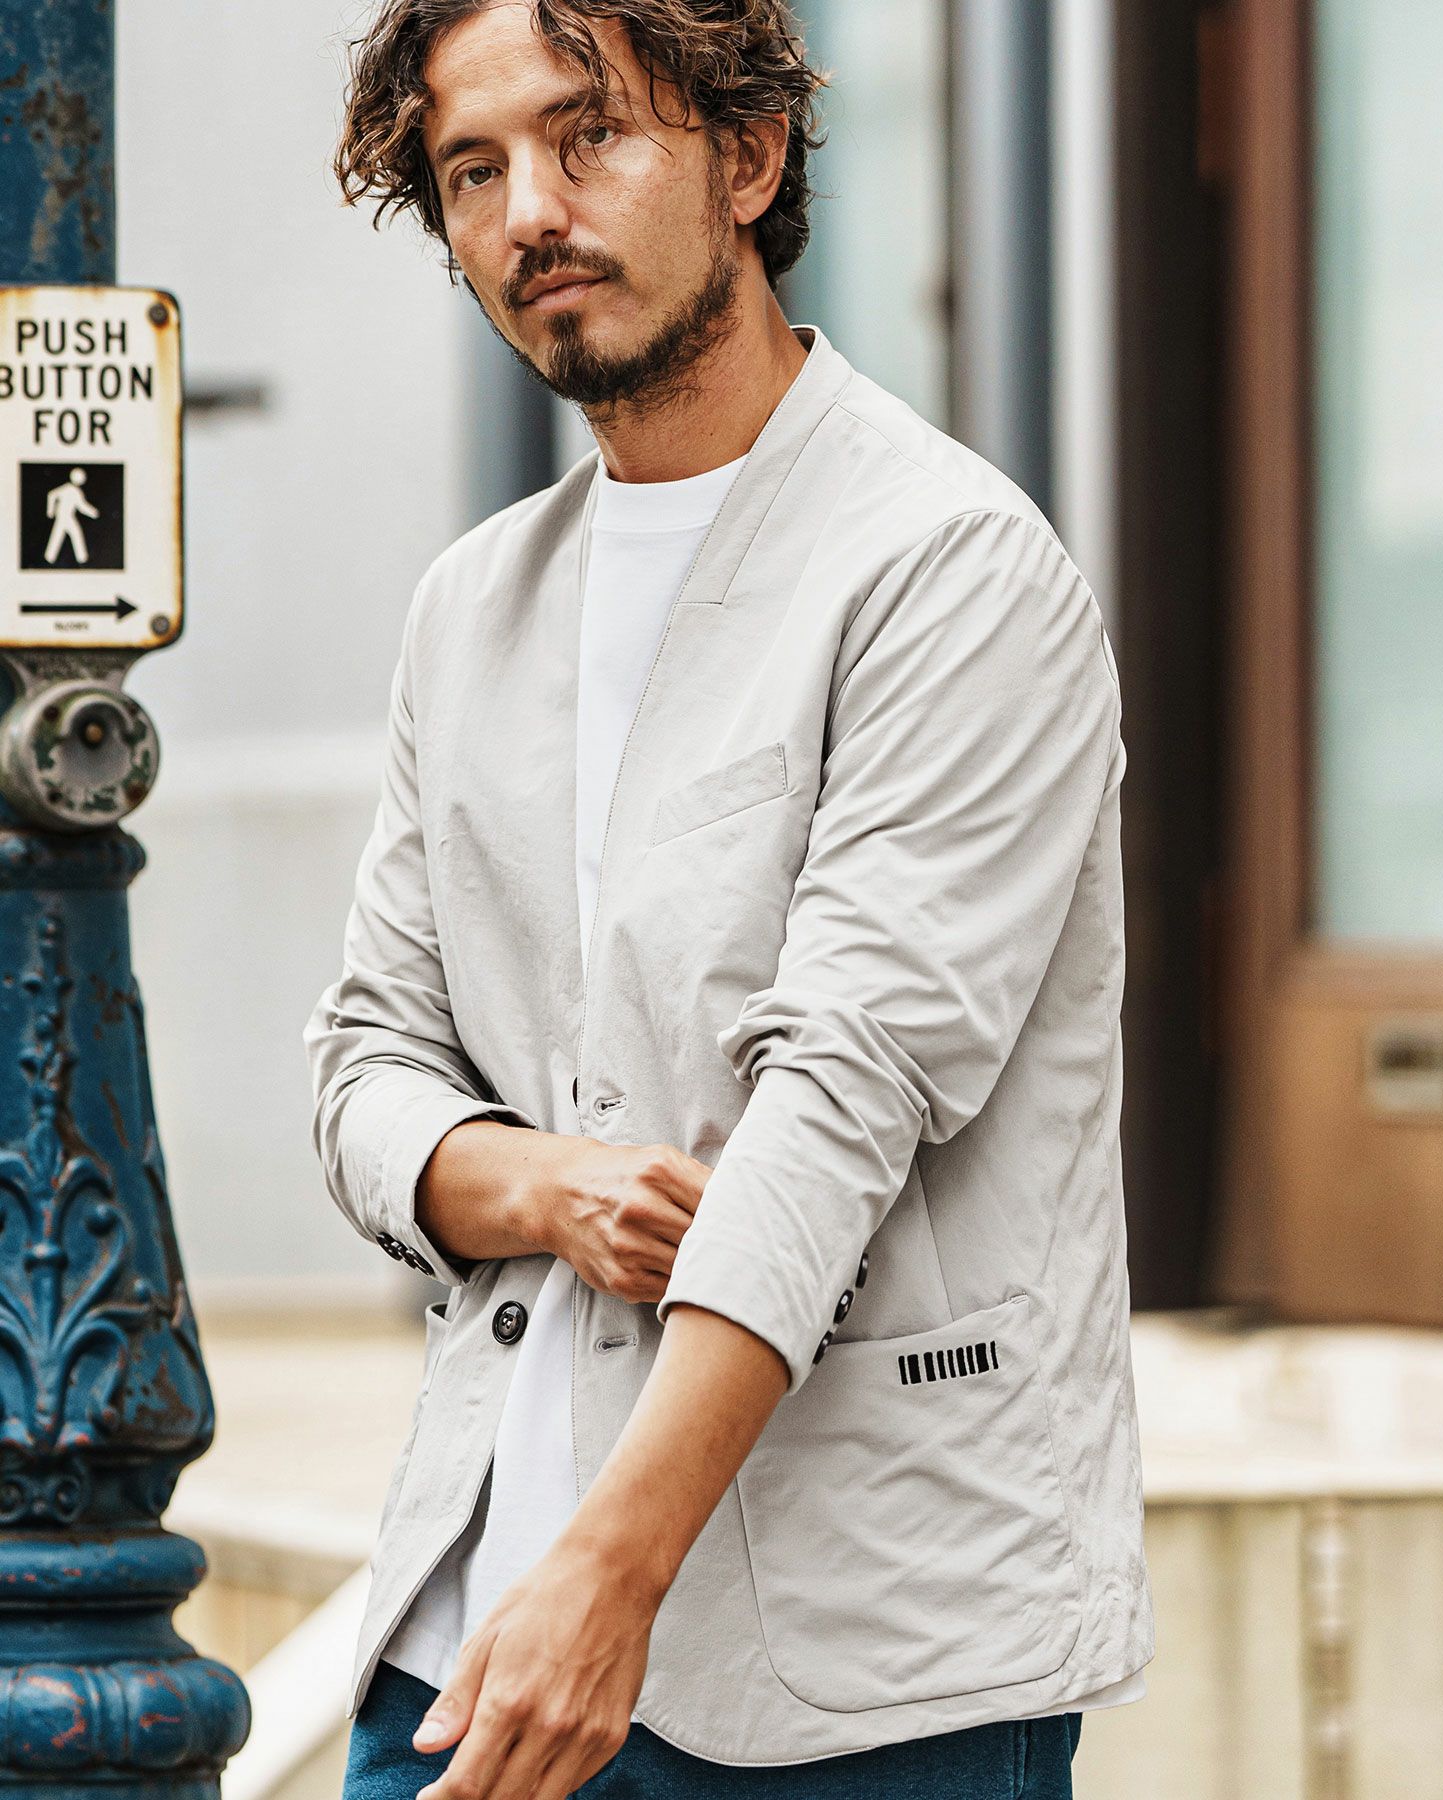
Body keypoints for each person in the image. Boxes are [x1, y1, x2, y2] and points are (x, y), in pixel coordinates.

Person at [306, 3, 1155, 1796]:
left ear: (749, 157)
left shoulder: (950, 568)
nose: (533, 210)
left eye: (589, 135)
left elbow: (845, 1095)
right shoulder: (471, 606)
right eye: (474, 170)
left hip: (856, 1670)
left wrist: (609, 1576)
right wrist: (544, 1185)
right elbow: (365, 1065)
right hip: (469, 1638)